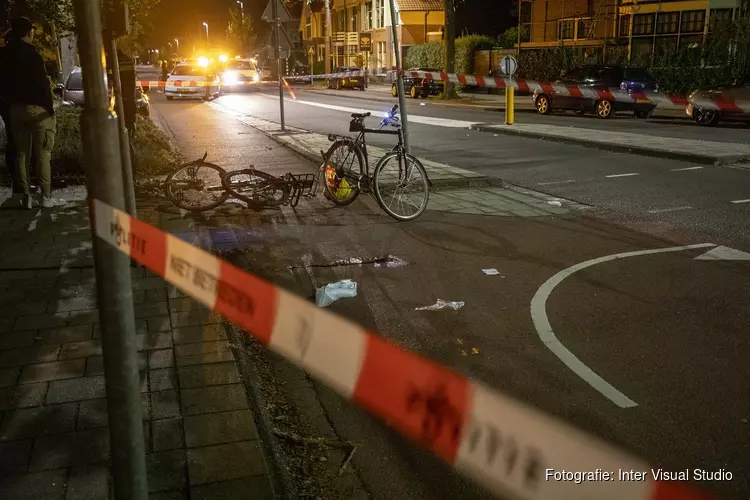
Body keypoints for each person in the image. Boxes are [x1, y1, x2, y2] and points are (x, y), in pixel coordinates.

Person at [0, 17, 64, 208]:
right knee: (43, 152)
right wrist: (50, 109)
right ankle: (45, 197)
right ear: (29, 32)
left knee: (21, 153)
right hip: (37, 108)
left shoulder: (3, 55)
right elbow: (42, 84)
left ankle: (24, 196)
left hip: (16, 109)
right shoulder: (33, 55)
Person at [0, 28, 21, 203]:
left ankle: (18, 183)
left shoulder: (3, 54)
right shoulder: (16, 55)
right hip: (16, 102)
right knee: (19, 143)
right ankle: (21, 182)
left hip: (6, 103)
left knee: (13, 142)